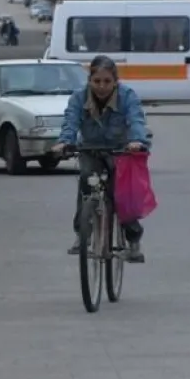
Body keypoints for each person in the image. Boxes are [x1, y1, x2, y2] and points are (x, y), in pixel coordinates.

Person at [51, 55, 151, 262]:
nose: (101, 87)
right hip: (91, 149)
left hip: (121, 151)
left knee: (123, 195)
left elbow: (136, 120)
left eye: (107, 81)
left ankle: (133, 242)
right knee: (86, 184)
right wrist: (64, 142)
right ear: (89, 81)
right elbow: (70, 120)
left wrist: (137, 141)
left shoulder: (128, 96)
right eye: (96, 81)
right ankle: (82, 236)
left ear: (115, 81)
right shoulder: (79, 98)